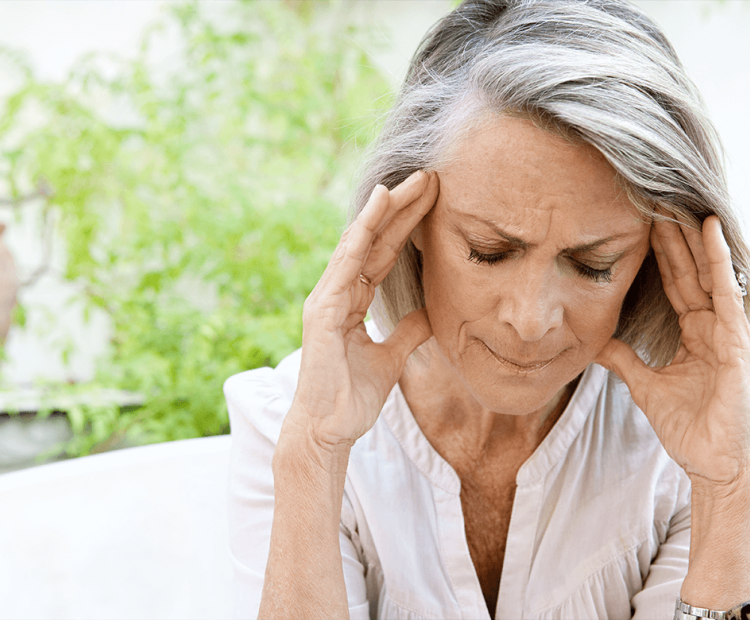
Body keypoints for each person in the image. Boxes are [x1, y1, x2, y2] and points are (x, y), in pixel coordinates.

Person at [225, 0, 750, 618]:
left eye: (593, 265)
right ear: (408, 220)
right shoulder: (291, 421)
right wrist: (315, 451)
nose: (531, 320)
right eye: (489, 250)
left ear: (656, 256)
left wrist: (729, 489)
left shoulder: (695, 441)